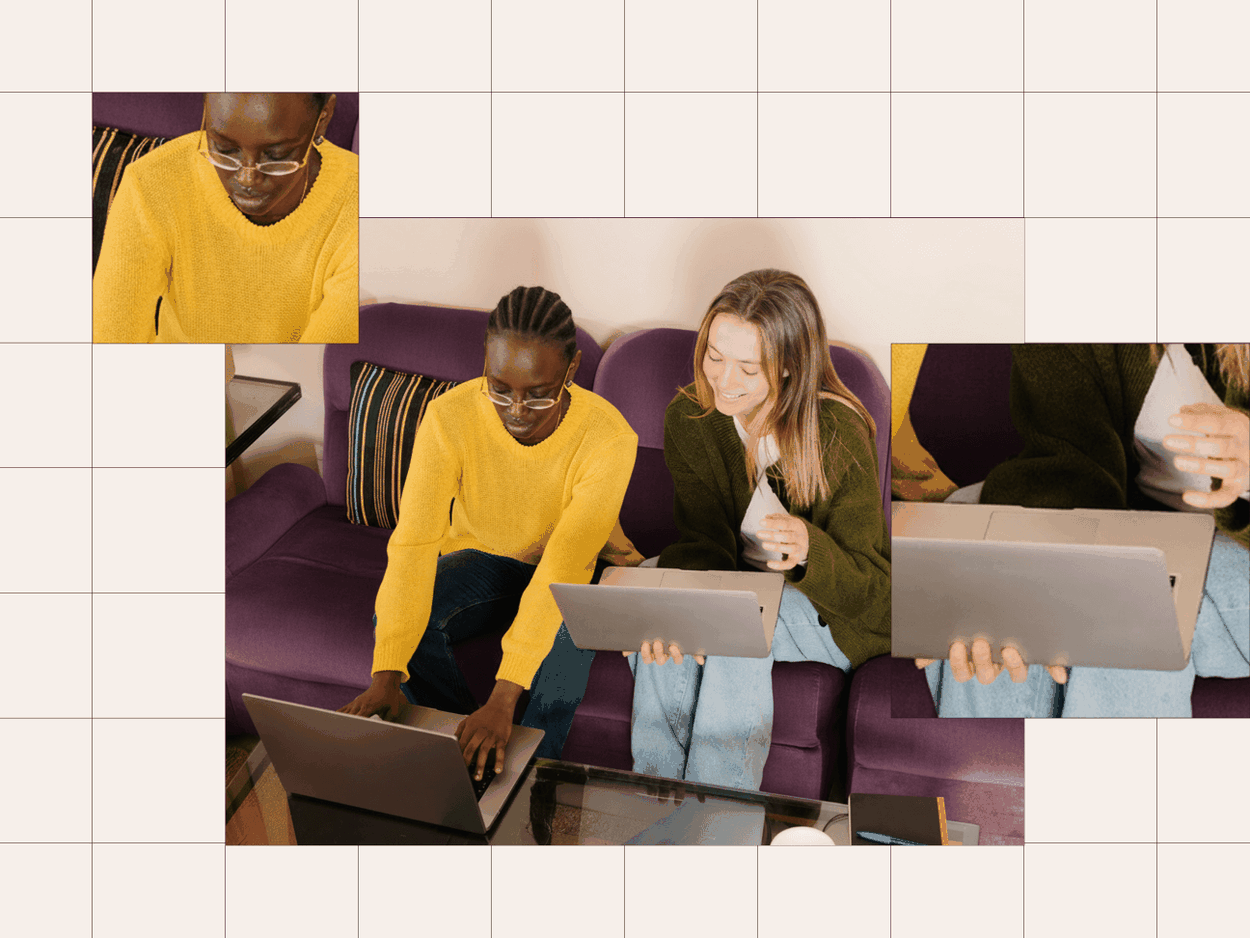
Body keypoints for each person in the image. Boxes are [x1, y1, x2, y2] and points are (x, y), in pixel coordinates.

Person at [339, 286, 643, 781]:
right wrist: (385, 674)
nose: (516, 410)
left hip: (579, 571)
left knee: (564, 653)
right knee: (405, 615)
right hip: (488, 558)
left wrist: (504, 697)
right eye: (499, 387)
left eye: (538, 393)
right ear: (485, 361)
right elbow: (414, 544)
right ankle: (471, 757)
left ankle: (536, 779)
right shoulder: (449, 417)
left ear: (572, 370)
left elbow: (564, 566)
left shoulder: (608, 437)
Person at [628, 269, 890, 791]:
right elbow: (702, 543)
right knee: (665, 613)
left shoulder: (837, 430)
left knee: (740, 620)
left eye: (749, 368)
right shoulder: (691, 416)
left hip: (829, 612)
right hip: (738, 583)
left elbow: (876, 594)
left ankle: (720, 817)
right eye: (715, 357)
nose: (725, 381)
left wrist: (810, 550)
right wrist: (681, 610)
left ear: (791, 367)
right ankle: (652, 801)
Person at [917, 344, 1250, 717]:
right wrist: (1017, 578)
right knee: (1014, 587)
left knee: (1133, 592)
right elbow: (1067, 468)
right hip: (1147, 539)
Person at [93, 92, 358, 344]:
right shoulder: (151, 184)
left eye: (276, 155)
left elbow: (318, 365)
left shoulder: (359, 206)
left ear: (322, 119)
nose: (246, 178)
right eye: (224, 149)